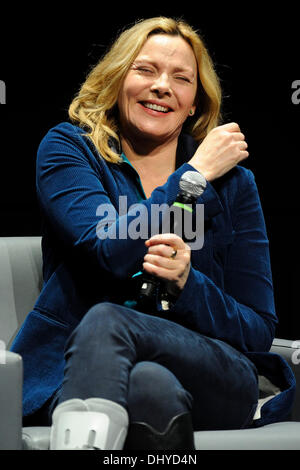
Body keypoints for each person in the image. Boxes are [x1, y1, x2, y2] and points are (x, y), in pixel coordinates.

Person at [11, 17, 295, 450]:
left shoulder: (235, 185)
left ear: (195, 102)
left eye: (181, 78)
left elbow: (257, 329)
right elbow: (107, 248)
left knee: (107, 321)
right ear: (117, 79)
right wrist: (193, 176)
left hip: (213, 372)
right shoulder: (71, 150)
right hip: (88, 368)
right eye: (145, 70)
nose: (163, 86)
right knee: (149, 385)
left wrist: (188, 285)